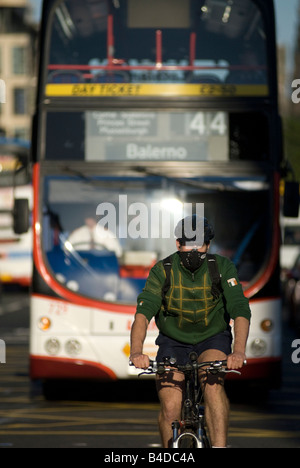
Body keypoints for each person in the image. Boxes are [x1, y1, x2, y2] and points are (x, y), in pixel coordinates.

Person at [130, 215, 251, 448]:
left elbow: (240, 310)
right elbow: (143, 314)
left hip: (212, 338)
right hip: (173, 341)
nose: (194, 250)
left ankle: (219, 446)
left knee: (213, 386)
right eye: (188, 243)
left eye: (201, 244)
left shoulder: (222, 267)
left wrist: (238, 352)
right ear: (178, 244)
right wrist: (137, 352)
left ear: (208, 245)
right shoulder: (162, 270)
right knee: (170, 406)